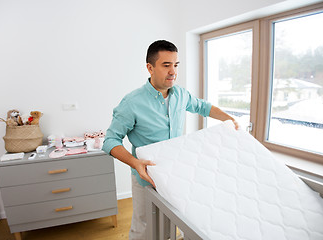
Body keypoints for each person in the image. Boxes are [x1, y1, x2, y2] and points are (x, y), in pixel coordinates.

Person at [102, 40, 239, 240]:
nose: (173, 71)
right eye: (166, 65)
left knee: (173, 224)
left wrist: (229, 118)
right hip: (146, 177)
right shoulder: (131, 103)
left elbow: (203, 107)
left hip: (177, 174)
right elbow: (110, 140)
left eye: (176, 65)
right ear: (150, 68)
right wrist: (135, 163)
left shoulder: (181, 94)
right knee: (144, 227)